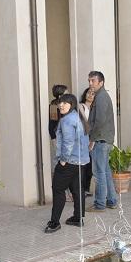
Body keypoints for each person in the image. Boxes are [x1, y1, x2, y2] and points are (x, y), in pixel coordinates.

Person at [45, 94, 89, 232]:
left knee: (58, 189)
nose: (61, 105)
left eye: (65, 103)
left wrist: (63, 160)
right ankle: (78, 218)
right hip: (80, 162)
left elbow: (68, 142)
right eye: (60, 103)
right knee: (77, 189)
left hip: (69, 161)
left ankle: (54, 222)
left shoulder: (67, 120)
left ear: (72, 104)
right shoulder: (78, 117)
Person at [86, 71, 118, 212]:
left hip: (100, 139)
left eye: (93, 80)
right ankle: (111, 201)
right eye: (89, 81)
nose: (90, 83)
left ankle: (100, 204)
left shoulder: (101, 97)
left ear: (101, 82)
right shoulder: (101, 96)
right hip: (104, 139)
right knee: (105, 171)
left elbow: (99, 121)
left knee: (99, 173)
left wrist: (92, 139)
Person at [79, 87, 95, 196]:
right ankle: (81, 189)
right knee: (83, 165)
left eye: (93, 94)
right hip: (83, 139)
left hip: (92, 139)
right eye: (89, 92)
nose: (90, 95)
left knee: (90, 166)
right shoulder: (81, 106)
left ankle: (86, 189)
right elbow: (84, 122)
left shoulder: (95, 108)